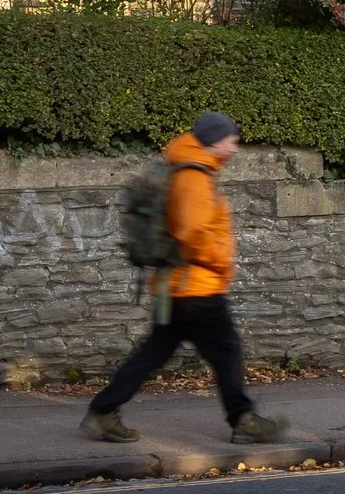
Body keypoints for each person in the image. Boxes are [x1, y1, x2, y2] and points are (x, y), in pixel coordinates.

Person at [83, 111, 289, 445]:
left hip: (176, 285)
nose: (235, 148)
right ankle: (243, 420)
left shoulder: (191, 169)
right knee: (227, 350)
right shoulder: (194, 176)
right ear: (214, 141)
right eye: (231, 140)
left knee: (154, 352)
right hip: (196, 286)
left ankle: (103, 411)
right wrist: (221, 261)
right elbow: (192, 232)